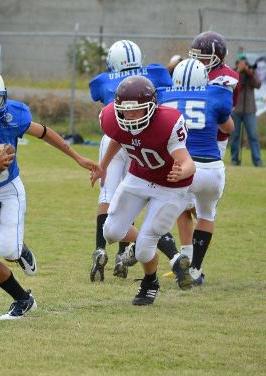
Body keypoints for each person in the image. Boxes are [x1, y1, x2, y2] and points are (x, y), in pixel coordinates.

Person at [0, 67, 99, 320]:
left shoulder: (13, 115)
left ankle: (19, 249)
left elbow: (44, 132)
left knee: (9, 251)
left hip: (7, 190)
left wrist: (77, 156)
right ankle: (23, 299)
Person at [91, 75, 196, 305]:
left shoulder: (167, 122)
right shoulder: (112, 117)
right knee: (110, 231)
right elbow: (119, 137)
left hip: (171, 186)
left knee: (144, 250)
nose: (130, 116)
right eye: (125, 110)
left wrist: (183, 171)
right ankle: (142, 245)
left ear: (151, 107)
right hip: (139, 176)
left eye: (136, 110)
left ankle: (150, 282)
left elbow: (188, 161)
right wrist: (103, 166)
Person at [88, 40, 180, 282]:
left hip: (115, 137)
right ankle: (126, 254)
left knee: (108, 197)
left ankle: (100, 249)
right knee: (133, 193)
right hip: (143, 140)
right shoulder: (155, 72)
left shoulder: (102, 80)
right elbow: (165, 85)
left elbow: (102, 97)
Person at [157, 59, 234, 285]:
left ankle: (176, 258)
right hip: (213, 168)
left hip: (185, 167)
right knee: (206, 215)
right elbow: (228, 128)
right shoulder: (215, 95)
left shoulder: (165, 96)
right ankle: (195, 270)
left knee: (155, 215)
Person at [188, 31, 240, 160]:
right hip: (192, 131)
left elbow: (224, 108)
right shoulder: (191, 70)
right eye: (195, 57)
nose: (198, 62)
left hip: (215, 136)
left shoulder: (226, 78)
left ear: (218, 58)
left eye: (203, 59)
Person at [230, 56, 263, 167]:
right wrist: (239, 71)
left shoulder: (251, 73)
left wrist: (249, 73)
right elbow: (232, 85)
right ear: (237, 63)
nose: (244, 66)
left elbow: (258, 85)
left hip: (250, 110)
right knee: (235, 135)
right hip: (236, 109)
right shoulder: (233, 73)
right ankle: (234, 160)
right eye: (241, 63)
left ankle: (257, 161)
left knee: (253, 135)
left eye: (245, 63)